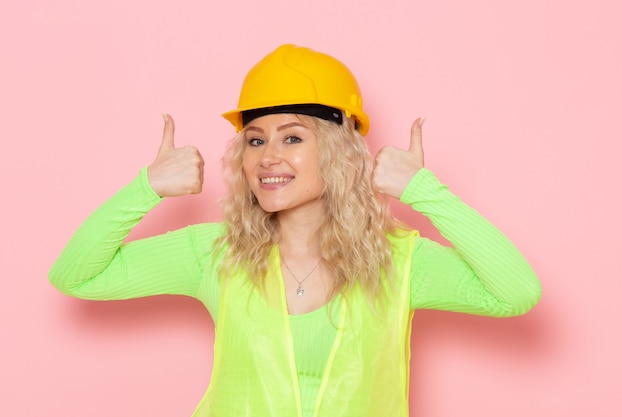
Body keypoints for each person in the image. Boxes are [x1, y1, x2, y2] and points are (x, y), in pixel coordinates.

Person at [49, 44, 541, 417]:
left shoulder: (400, 261)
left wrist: (424, 191)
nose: (268, 156)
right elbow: (76, 277)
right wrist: (146, 187)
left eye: (292, 137)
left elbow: (516, 293)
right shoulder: (216, 254)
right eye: (255, 139)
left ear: (339, 151)